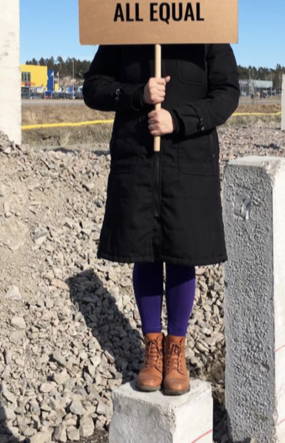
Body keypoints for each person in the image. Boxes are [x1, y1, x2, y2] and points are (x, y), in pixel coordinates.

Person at [83, 43, 239, 394]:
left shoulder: (208, 32)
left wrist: (178, 119)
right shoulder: (124, 29)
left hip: (189, 163)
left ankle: (176, 351)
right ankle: (152, 349)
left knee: (183, 253)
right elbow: (93, 87)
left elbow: (227, 93)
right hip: (137, 160)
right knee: (145, 251)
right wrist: (137, 94)